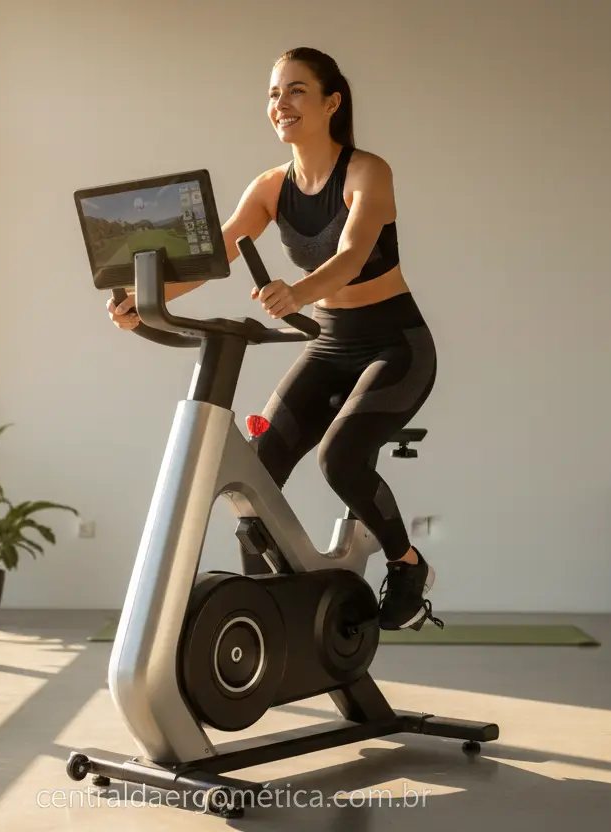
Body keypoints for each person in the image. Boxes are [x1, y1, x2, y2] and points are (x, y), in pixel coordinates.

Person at [107, 47, 441, 631]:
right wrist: (146, 301)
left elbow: (353, 255)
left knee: (340, 459)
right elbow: (217, 255)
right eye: (272, 93)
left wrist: (300, 292)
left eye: (295, 91)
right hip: (330, 344)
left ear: (331, 102)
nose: (279, 104)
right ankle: (271, 614)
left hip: (396, 344)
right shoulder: (269, 187)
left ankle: (408, 564)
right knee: (252, 477)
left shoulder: (367, 172)